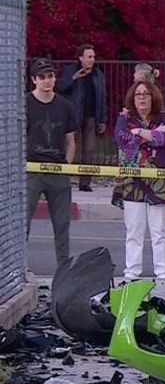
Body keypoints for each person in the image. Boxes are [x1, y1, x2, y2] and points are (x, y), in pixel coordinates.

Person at [113, 81, 165, 280]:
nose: (142, 98)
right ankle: (131, 275)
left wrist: (138, 133)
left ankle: (163, 275)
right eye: (138, 94)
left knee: (159, 231)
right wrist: (149, 136)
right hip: (131, 183)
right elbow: (122, 140)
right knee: (134, 231)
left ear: (153, 97)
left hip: (159, 183)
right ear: (132, 99)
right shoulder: (124, 118)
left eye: (146, 94)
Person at [26, 58, 77, 268]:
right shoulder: (25, 103)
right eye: (42, 77)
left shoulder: (65, 106)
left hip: (58, 171)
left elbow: (70, 140)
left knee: (62, 226)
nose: (47, 81)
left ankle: (63, 272)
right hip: (31, 172)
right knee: (21, 224)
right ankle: (17, 271)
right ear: (33, 80)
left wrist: (66, 165)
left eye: (50, 76)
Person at [57, 43, 107, 191]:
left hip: (91, 117)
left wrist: (102, 119)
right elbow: (60, 88)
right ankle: (62, 179)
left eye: (93, 56)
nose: (92, 59)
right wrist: (74, 77)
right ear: (81, 58)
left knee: (89, 150)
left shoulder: (98, 75)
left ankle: (85, 182)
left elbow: (102, 98)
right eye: (89, 56)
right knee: (68, 147)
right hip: (73, 116)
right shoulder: (70, 71)